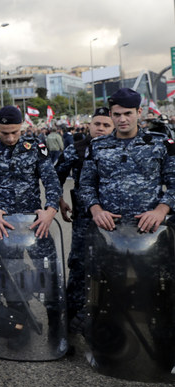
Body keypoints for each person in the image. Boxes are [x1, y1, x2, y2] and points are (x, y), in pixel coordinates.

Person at [0, 106, 63, 349]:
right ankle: (17, 328)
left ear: (22, 126)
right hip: (3, 227)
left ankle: (57, 333)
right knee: (8, 281)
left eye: (14, 132)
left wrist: (50, 210)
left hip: (36, 225)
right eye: (4, 133)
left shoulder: (35, 147)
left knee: (50, 277)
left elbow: (52, 181)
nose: (10, 138)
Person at [79, 88, 175, 234]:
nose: (122, 120)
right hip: (109, 231)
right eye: (117, 114)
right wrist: (96, 210)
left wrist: (160, 211)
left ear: (139, 112)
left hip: (150, 231)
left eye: (128, 113)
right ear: (110, 114)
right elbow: (86, 185)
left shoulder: (160, 144)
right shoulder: (97, 146)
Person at [56, 107, 113, 331]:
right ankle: (69, 319)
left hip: (113, 222)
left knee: (110, 267)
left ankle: (107, 316)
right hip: (84, 220)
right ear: (89, 125)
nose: (100, 128)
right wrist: (59, 201)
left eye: (106, 125)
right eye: (97, 124)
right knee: (79, 265)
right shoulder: (76, 149)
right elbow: (55, 176)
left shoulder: (118, 148)